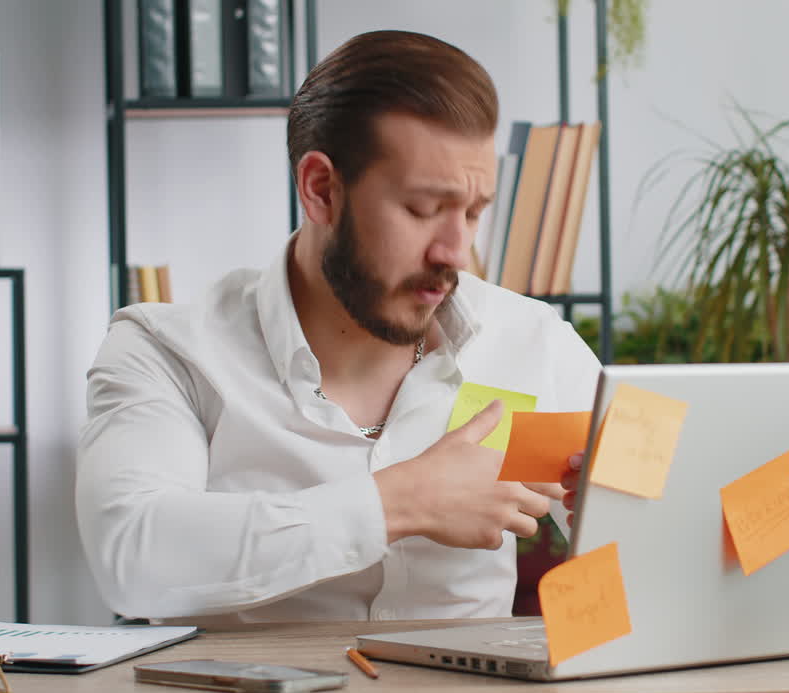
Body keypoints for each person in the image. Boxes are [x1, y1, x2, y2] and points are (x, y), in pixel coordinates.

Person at [76, 29, 601, 626]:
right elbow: (130, 558)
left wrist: (611, 566)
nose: (457, 252)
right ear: (321, 189)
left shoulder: (534, 341)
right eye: (423, 209)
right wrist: (400, 502)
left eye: (474, 212)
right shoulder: (166, 352)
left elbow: (663, 531)